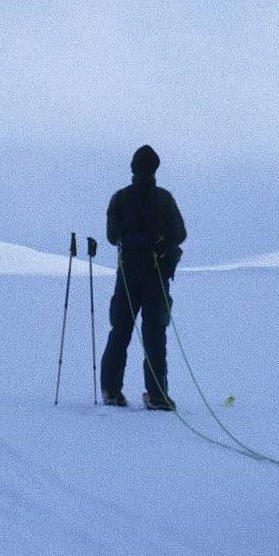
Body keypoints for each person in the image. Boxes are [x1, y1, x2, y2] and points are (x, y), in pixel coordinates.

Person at [101, 144, 186, 409]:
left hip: (127, 273)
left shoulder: (119, 198)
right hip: (156, 273)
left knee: (121, 330)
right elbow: (180, 234)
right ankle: (158, 395)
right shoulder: (164, 199)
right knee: (154, 333)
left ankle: (111, 391)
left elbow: (112, 236)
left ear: (133, 169)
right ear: (155, 169)